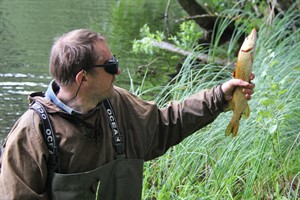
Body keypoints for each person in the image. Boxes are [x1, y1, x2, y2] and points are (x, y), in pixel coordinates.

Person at [0, 29, 255, 200]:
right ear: (83, 77)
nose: (118, 71)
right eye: (110, 66)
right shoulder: (31, 133)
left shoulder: (118, 103)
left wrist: (220, 95)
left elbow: (166, 124)